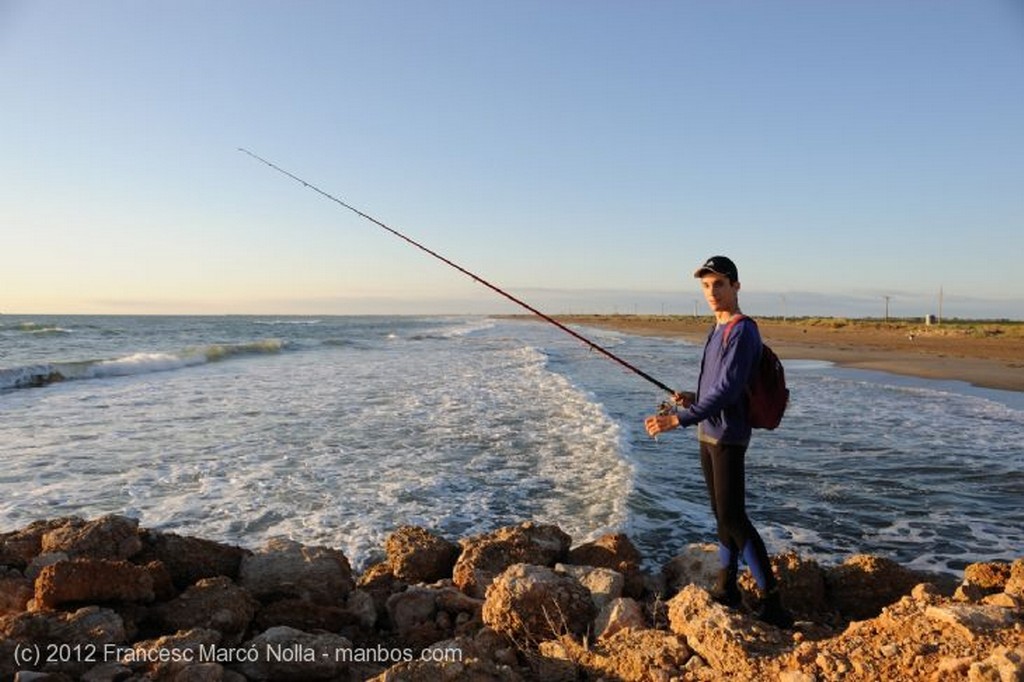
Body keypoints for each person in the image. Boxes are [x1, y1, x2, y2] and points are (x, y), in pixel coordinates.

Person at [645, 255, 792, 629]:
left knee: (733, 516)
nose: (712, 292)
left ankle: (772, 601)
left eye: (719, 284)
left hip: (728, 435)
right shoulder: (716, 329)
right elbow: (716, 386)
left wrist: (677, 419)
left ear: (736, 287)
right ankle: (728, 587)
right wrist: (693, 400)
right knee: (721, 515)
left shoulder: (743, 331)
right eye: (706, 286)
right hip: (707, 432)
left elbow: (728, 390)